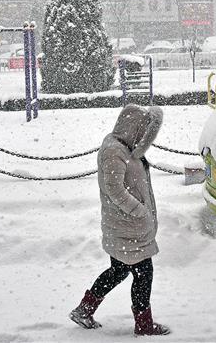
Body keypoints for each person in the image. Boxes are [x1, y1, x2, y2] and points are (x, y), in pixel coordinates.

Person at [70, 104, 170, 336]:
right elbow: (113, 189)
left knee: (119, 271)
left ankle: (85, 309)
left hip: (125, 228)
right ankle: (143, 324)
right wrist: (140, 211)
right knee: (144, 273)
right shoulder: (115, 151)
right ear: (133, 128)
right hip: (128, 228)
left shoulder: (124, 148)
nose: (144, 138)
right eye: (143, 132)